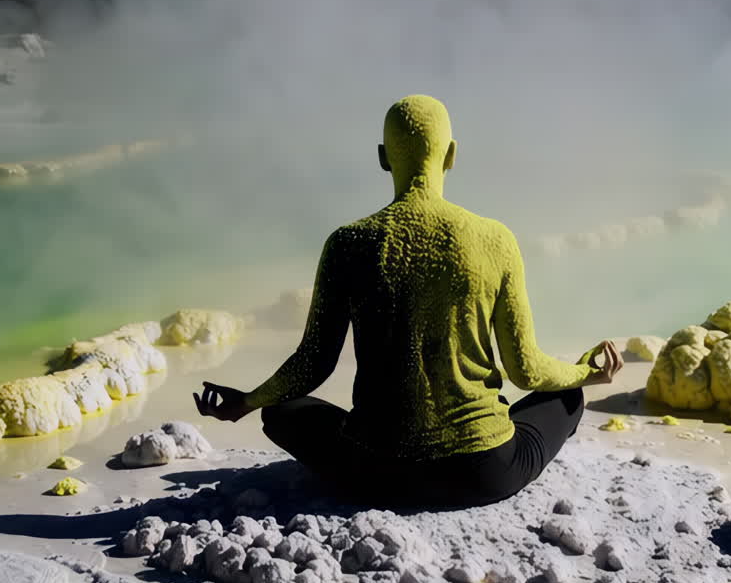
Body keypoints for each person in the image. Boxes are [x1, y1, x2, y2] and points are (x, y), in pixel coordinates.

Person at [193, 94, 623, 508]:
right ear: (451, 154)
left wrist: (247, 401)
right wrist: (587, 371)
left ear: (383, 157)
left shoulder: (348, 244)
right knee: (568, 397)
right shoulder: (495, 239)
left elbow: (313, 364)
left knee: (280, 411)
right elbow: (526, 369)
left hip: (376, 471)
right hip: (483, 473)